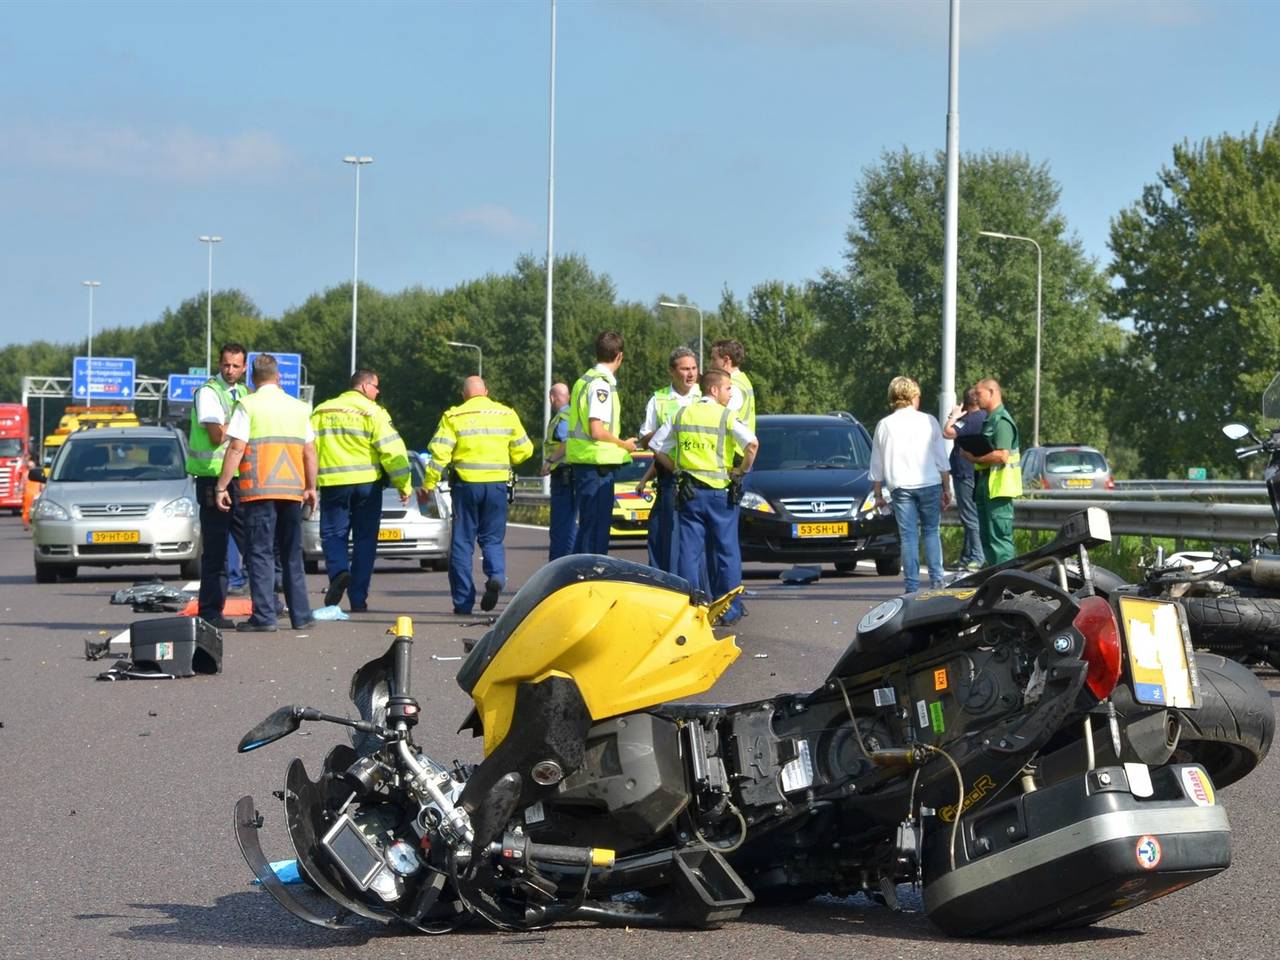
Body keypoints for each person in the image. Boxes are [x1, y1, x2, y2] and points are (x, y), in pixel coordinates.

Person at [214, 353, 317, 632]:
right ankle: (302, 615)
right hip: (292, 492)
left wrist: (222, 485)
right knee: (291, 553)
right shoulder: (298, 407)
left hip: (258, 492)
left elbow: (236, 448)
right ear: (278, 377)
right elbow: (309, 451)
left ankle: (264, 617)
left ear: (252, 378)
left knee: (259, 554)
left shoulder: (247, 405)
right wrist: (311, 487)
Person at [651, 369, 758, 626]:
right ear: (714, 390)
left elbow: (655, 445)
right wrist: (741, 471)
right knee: (726, 551)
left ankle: (693, 608)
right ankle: (729, 610)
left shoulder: (682, 413)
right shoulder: (726, 416)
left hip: (690, 493)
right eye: (728, 388)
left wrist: (676, 469)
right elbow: (752, 444)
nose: (731, 393)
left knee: (689, 552)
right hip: (720, 494)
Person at [423, 376, 532, 615]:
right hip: (496, 486)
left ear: (464, 395)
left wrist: (429, 483)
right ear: (487, 392)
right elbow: (525, 450)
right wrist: (507, 458)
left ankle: (463, 603)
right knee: (492, 539)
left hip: (466, 487)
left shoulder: (454, 416)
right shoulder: (506, 414)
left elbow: (440, 454)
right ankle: (496, 576)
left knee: (462, 544)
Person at [311, 369, 413, 612]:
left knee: (333, 535)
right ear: (365, 386)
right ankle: (358, 598)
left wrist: (308, 485)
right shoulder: (374, 412)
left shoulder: (322, 411)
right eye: (376, 387)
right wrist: (403, 484)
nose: (378, 392)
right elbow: (392, 450)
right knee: (364, 541)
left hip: (334, 483)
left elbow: (308, 449)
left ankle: (338, 573)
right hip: (367, 486)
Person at [868, 376, 951, 594]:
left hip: (901, 487)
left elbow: (876, 463)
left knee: (909, 536)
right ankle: (936, 581)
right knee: (931, 531)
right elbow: (941, 459)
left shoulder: (884, 425)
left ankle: (912, 586)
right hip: (930, 483)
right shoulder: (928, 421)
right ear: (913, 396)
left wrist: (878, 494)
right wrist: (946, 487)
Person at [186, 342, 248, 629]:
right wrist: (238, 430)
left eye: (236, 365)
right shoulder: (210, 393)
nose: (230, 370)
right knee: (216, 549)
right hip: (213, 478)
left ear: (245, 367)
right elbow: (215, 436)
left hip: (240, 478)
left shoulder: (245, 393)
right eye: (226, 364)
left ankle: (268, 605)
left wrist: (233, 431)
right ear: (219, 364)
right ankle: (211, 612)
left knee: (255, 543)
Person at [566, 331, 637, 555]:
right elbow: (596, 430)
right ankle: (590, 582)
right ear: (619, 357)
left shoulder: (583, 380)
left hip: (587, 464)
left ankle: (577, 580)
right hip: (596, 467)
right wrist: (623, 444)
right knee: (595, 534)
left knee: (588, 529)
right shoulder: (601, 386)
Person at [636, 347, 700, 573]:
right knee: (665, 540)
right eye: (685, 369)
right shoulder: (659, 399)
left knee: (694, 544)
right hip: (670, 479)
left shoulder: (704, 397)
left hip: (700, 477)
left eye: (694, 368)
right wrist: (668, 431)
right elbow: (645, 440)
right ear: (672, 371)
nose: (691, 374)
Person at [964, 378, 1022, 566]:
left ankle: (1008, 587)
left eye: (979, 393)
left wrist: (975, 458)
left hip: (999, 491)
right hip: (986, 487)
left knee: (999, 541)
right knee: (988, 539)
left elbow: (1002, 456)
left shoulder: (1001, 421)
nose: (975, 397)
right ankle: (996, 585)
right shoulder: (989, 420)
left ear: (992, 392)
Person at [942, 387, 987, 571]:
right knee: (970, 515)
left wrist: (953, 416)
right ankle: (967, 556)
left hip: (965, 473)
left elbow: (948, 432)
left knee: (969, 517)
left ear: (966, 403)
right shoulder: (985, 416)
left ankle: (976, 556)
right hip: (975, 471)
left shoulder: (969, 420)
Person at [540, 382, 576, 560]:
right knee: (567, 524)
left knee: (562, 526)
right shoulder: (573, 414)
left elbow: (566, 443)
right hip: (570, 474)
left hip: (563, 476)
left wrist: (549, 461)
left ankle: (561, 564)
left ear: (552, 398)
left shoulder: (562, 419)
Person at [709, 338, 756, 463]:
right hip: (739, 450)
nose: (710, 364)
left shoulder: (733, 387)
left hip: (733, 453)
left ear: (725, 360)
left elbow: (720, 418)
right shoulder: (742, 380)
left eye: (714, 359)